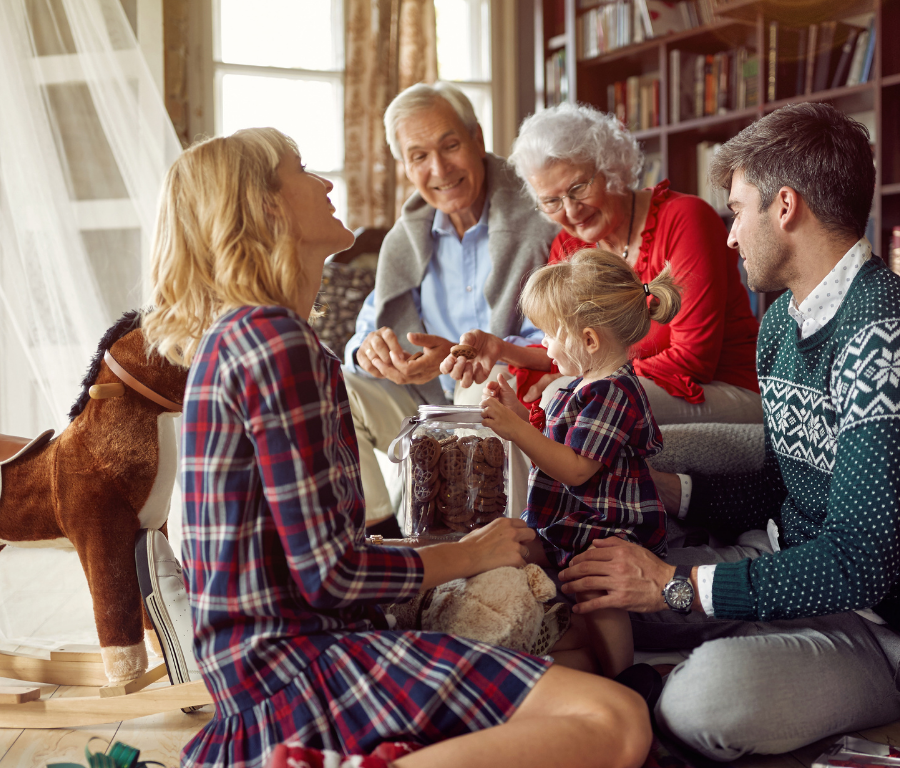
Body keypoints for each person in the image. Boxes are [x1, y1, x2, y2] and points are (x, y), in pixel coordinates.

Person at [141, 128, 650, 768]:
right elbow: (331, 575)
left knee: (569, 674)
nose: (326, 182)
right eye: (302, 170)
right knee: (616, 718)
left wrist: (449, 550)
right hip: (294, 672)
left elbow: (314, 558)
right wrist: (470, 552)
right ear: (265, 206)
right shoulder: (273, 340)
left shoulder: (247, 333)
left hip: (266, 667)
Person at [557, 103, 900, 761]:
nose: (729, 237)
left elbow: (861, 565)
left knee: (702, 699)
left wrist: (673, 584)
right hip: (778, 560)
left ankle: (677, 677)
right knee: (589, 598)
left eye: (736, 211)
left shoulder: (889, 334)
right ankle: (680, 665)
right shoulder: (783, 323)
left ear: (785, 207)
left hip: (878, 629)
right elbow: (781, 484)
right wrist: (669, 490)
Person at [446, 102, 761, 425]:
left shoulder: (685, 219)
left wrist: (575, 383)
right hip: (626, 381)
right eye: (552, 201)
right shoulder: (570, 245)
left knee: (570, 400)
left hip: (718, 389)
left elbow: (692, 360)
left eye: (578, 188)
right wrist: (501, 349)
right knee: (485, 390)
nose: (570, 211)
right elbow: (567, 348)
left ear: (610, 167)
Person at [341, 82, 559, 528]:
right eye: (419, 156)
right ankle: (384, 539)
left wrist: (462, 358)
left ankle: (491, 542)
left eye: (450, 145)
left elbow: (561, 334)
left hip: (502, 394)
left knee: (485, 384)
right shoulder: (408, 237)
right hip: (423, 407)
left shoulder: (539, 216)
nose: (439, 168)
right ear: (405, 166)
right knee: (337, 387)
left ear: (478, 139)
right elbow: (366, 331)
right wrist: (371, 352)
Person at [477, 249, 682, 679]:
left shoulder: (614, 391)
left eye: (549, 334)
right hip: (570, 519)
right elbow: (558, 439)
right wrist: (519, 415)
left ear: (589, 340)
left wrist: (518, 433)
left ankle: (625, 677)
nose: (545, 346)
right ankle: (551, 641)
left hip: (604, 527)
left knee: (597, 588)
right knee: (508, 547)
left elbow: (575, 468)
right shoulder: (581, 386)